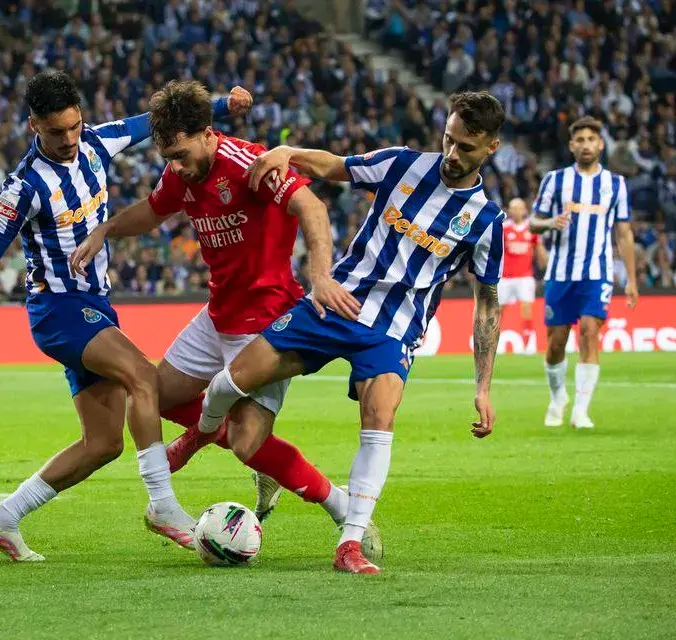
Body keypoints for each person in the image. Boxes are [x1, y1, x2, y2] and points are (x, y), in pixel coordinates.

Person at [0, 70, 251, 562]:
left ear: (82, 117)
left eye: (73, 127)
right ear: (33, 125)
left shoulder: (98, 143)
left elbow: (155, 119)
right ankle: (163, 506)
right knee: (143, 375)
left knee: (103, 443)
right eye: (55, 131)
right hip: (58, 309)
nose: (67, 139)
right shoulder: (23, 188)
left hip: (95, 306)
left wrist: (225, 104)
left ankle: (3, 518)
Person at [197, 91, 507, 574]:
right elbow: (335, 166)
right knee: (230, 382)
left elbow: (487, 304)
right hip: (336, 301)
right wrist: (288, 152)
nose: (451, 153)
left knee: (380, 417)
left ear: (491, 147)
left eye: (465, 147)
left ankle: (350, 543)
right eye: (448, 139)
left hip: (392, 330)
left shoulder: (486, 221)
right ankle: (196, 437)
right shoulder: (403, 164)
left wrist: (483, 387)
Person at [69, 80, 380, 558]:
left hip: (266, 321)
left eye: (180, 155)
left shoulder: (248, 163)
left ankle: (341, 507)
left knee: (248, 443)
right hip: (217, 316)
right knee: (149, 394)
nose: (175, 167)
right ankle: (225, 441)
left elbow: (312, 206)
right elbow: (153, 211)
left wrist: (320, 275)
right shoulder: (182, 173)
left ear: (209, 134)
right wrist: (106, 229)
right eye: (167, 157)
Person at [530, 116, 638, 429]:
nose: (586, 145)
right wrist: (550, 223)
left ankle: (580, 410)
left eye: (591, 139)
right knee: (556, 344)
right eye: (580, 140)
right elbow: (533, 222)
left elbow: (624, 233)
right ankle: (557, 397)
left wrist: (631, 279)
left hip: (597, 272)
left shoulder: (615, 184)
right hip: (560, 273)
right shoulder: (555, 180)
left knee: (590, 332)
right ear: (571, 145)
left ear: (601, 144)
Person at [499, 197, 546, 354]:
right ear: (509, 210)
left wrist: (545, 268)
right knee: (498, 310)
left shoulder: (531, 229)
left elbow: (539, 249)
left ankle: (528, 343)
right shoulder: (503, 228)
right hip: (505, 277)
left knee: (526, 308)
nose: (516, 211)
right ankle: (493, 342)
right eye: (513, 208)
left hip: (525, 276)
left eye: (519, 208)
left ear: (525, 210)